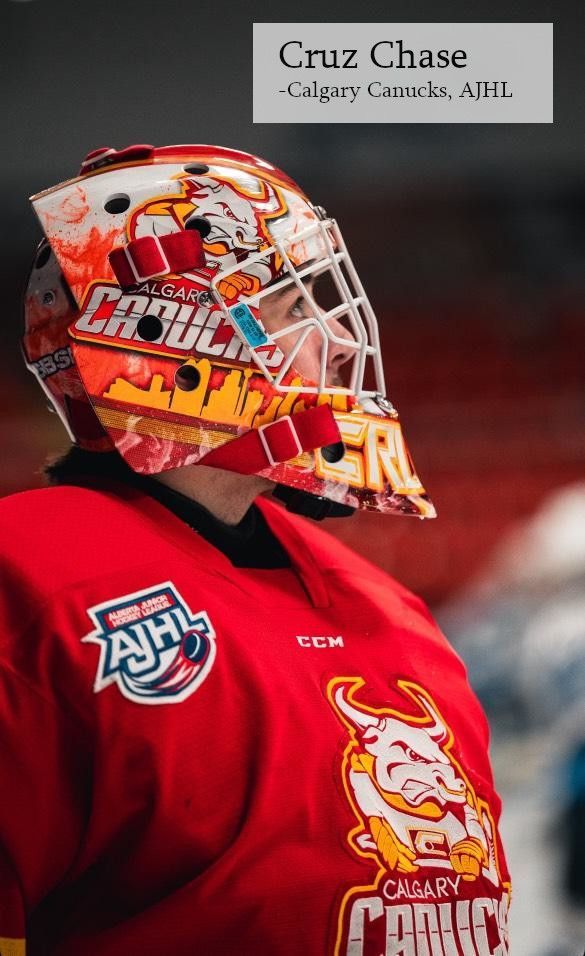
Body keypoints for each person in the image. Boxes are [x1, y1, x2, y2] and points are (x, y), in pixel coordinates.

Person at [0, 145, 510, 955]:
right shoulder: (30, 582)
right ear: (168, 335)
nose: (338, 339)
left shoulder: (387, 606)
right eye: (289, 302)